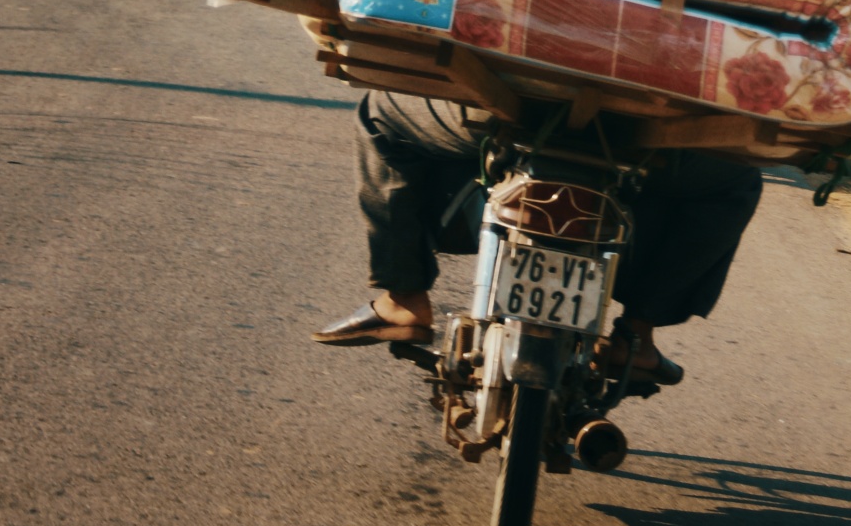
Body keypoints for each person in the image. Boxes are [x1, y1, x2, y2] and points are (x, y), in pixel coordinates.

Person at [313, 90, 764, 384]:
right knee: (736, 183)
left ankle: (405, 296)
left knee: (380, 116)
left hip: (502, 100)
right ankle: (637, 335)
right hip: (649, 124)